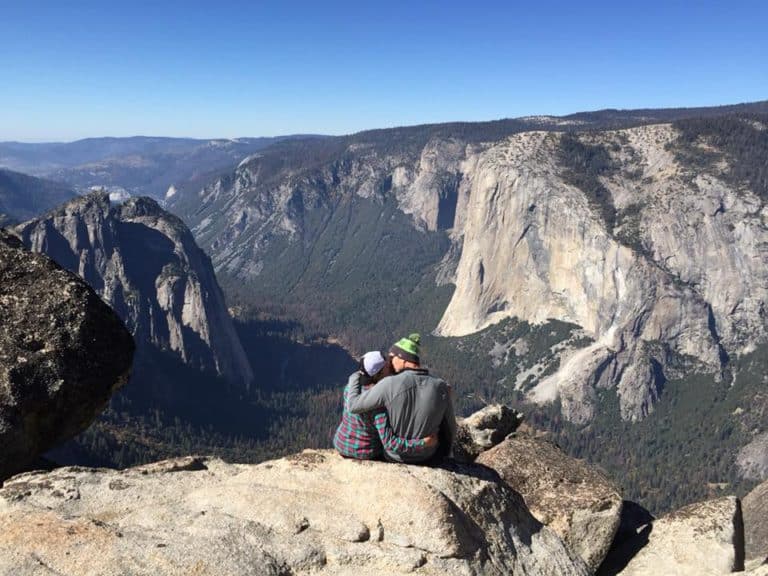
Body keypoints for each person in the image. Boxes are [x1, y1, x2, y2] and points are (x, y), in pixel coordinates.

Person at [347, 334, 457, 464]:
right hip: (428, 456)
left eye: (392, 357)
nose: (389, 362)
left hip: (395, 456)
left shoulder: (388, 384)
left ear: (402, 358)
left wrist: (358, 374)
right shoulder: (441, 386)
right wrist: (446, 453)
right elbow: (450, 427)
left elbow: (354, 406)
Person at [333, 350, 436, 460]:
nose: (391, 366)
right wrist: (423, 443)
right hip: (365, 452)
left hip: (341, 443)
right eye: (387, 366)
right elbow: (390, 442)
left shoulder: (352, 387)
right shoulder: (378, 402)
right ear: (379, 373)